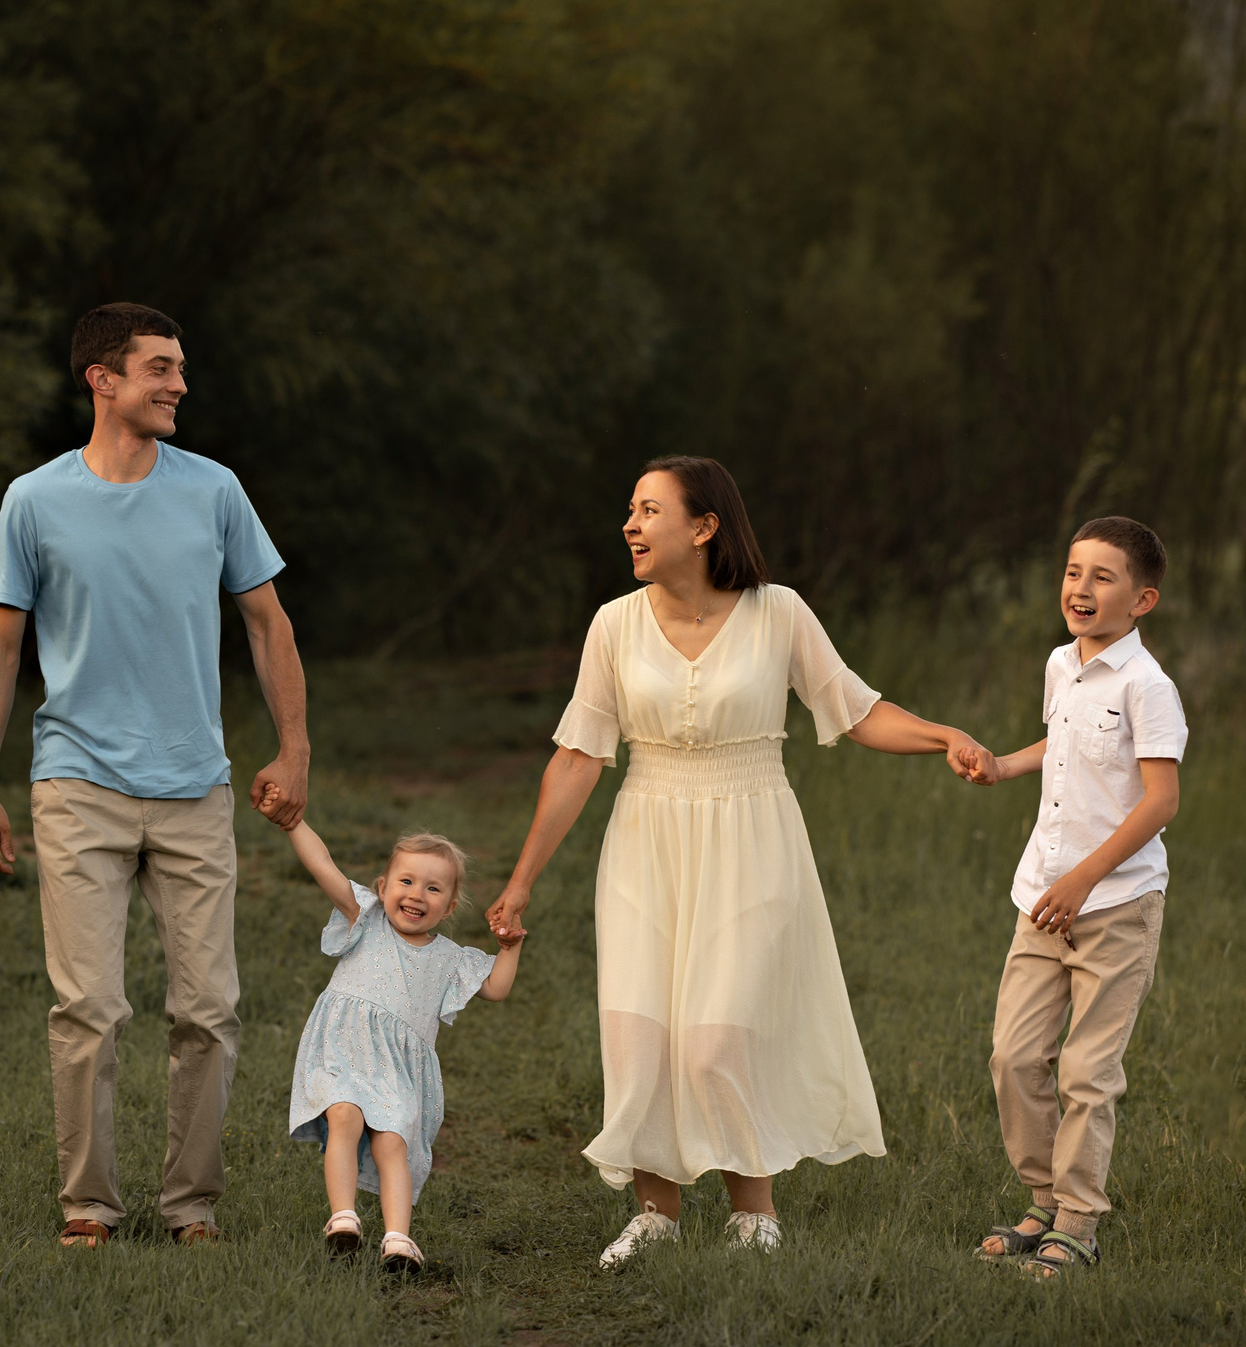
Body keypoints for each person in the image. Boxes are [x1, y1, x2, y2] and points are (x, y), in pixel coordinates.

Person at [486, 455, 989, 1267]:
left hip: (753, 834)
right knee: (642, 1030)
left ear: (704, 526)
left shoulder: (777, 613)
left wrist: (943, 735)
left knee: (719, 1037)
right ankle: (656, 1214)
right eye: (630, 509)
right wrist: (521, 881)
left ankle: (753, 1214)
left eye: (649, 511)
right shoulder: (613, 624)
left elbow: (854, 709)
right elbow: (578, 756)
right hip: (647, 836)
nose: (630, 525)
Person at [0, 303, 311, 1249]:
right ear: (102, 379)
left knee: (210, 1009)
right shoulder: (34, 501)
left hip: (195, 786)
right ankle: (90, 1207)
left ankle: (192, 1208)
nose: (179, 385)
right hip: (76, 785)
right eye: (159, 368)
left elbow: (268, 623)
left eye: (181, 368)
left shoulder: (214, 491)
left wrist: (294, 747)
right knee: (90, 1009)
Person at [969, 517, 1186, 1278]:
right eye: (1072, 572)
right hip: (1042, 897)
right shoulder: (1062, 666)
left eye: (1102, 576)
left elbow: (1160, 801)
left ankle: (1079, 1223)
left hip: (1114, 905)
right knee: (1014, 1057)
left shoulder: (1147, 687)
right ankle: (1043, 1199)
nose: (1080, 588)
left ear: (1142, 598)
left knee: (1087, 1073)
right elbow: (1059, 747)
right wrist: (1002, 764)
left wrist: (1085, 878)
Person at [276, 817, 524, 1271]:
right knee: (344, 1116)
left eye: (433, 889)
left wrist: (510, 945)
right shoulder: (365, 920)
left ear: (449, 907)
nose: (416, 894)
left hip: (396, 1069)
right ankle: (343, 1217)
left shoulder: (449, 959)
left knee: (393, 1143)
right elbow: (322, 865)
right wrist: (293, 823)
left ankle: (397, 1239)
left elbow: (496, 988)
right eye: (406, 881)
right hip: (343, 1051)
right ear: (383, 886)